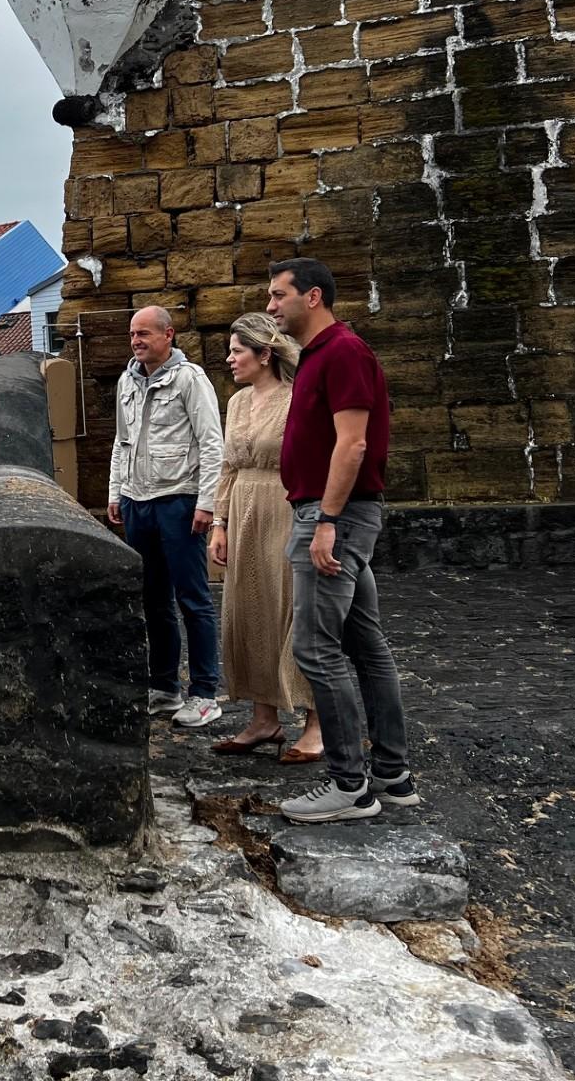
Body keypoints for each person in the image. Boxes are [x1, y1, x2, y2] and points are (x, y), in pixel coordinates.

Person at [265, 258, 419, 823]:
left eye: (278, 296)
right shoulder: (315, 357)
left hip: (334, 516)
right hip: (333, 513)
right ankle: (393, 775)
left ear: (312, 297)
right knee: (364, 644)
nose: (271, 306)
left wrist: (326, 520)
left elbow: (352, 445)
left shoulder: (344, 352)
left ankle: (350, 785)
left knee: (315, 648)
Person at [207, 313, 324, 764]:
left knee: (293, 610)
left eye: (238, 350)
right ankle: (264, 718)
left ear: (264, 354)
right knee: (247, 610)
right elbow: (228, 466)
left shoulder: (298, 398)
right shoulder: (236, 403)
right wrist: (220, 523)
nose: (230, 358)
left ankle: (316, 722)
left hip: (286, 505)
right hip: (243, 508)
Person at [106, 305, 225, 728]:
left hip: (178, 499)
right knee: (152, 599)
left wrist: (207, 503)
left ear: (168, 335)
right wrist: (116, 492)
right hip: (138, 502)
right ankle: (164, 687)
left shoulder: (190, 380)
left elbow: (212, 443)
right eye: (132, 335)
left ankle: (206, 692)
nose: (136, 341)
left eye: (144, 334)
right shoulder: (126, 381)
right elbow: (121, 442)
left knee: (192, 598)